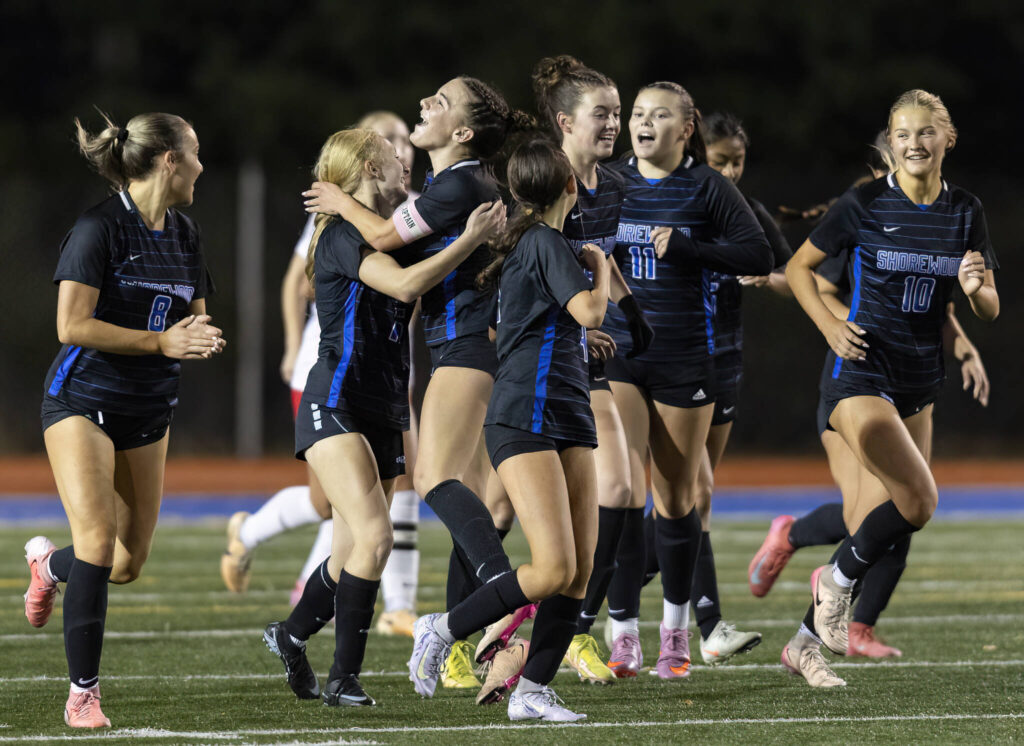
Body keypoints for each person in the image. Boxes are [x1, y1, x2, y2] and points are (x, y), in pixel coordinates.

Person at [263, 127, 505, 707]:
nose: (406, 159)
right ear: (369, 167)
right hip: (335, 401)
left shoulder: (393, 231)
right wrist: (469, 238)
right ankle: (345, 678)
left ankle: (291, 636)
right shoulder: (342, 234)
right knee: (377, 537)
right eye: (393, 155)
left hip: (385, 406)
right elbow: (402, 285)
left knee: (351, 554)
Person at [303, 78, 534, 671]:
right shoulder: (454, 185)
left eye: (440, 100)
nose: (424, 103)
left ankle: (502, 595)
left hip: (464, 347)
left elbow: (383, 239)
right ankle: (475, 634)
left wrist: (338, 201)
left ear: (461, 131)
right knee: (480, 500)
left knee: (433, 480)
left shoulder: (459, 182)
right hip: (472, 351)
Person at [782, 89, 999, 687]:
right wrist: (830, 326)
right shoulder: (863, 202)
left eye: (925, 132)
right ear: (892, 140)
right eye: (902, 134)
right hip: (860, 371)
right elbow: (800, 269)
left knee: (904, 513)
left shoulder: (966, 211)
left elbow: (989, 306)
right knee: (917, 499)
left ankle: (805, 639)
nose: (913, 143)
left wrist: (974, 286)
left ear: (946, 139)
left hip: (919, 382)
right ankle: (836, 583)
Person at [23, 112, 223, 728]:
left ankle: (46, 567)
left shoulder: (185, 232)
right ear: (168, 159)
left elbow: (194, 317)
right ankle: (83, 694)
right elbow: (71, 326)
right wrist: (162, 343)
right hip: (81, 400)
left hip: (149, 409)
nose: (201, 165)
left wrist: (199, 338)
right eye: (195, 153)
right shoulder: (98, 227)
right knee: (95, 544)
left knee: (125, 564)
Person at [407, 139, 610, 721]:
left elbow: (517, 332)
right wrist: (599, 269)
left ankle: (532, 692)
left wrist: (570, 338)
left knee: (579, 569)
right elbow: (592, 311)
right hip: (526, 414)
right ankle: (443, 628)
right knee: (551, 568)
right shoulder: (548, 241)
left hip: (569, 410)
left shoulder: (535, 244)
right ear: (569, 186)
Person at [221, 111, 422, 637]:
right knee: (332, 503)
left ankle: (372, 603)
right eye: (390, 141)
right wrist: (291, 346)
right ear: (366, 161)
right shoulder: (338, 218)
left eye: (405, 138)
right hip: (330, 370)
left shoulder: (408, 208)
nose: (403, 148)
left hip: (383, 374)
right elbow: (300, 282)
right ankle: (257, 535)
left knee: (378, 500)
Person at [596, 83, 772, 680]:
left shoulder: (709, 187)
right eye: (637, 114)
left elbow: (758, 255)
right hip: (619, 354)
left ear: (686, 128)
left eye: (659, 115)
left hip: (687, 359)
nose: (643, 123)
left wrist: (692, 248)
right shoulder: (608, 181)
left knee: (677, 498)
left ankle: (675, 634)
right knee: (623, 491)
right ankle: (621, 632)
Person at [524, 55, 654, 686]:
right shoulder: (540, 188)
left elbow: (600, 261)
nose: (613, 124)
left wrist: (632, 312)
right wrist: (587, 317)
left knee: (623, 493)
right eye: (600, 113)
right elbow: (536, 271)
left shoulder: (617, 187)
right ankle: (470, 634)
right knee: (493, 508)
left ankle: (572, 629)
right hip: (535, 357)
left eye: (617, 113)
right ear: (564, 122)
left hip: (584, 357)